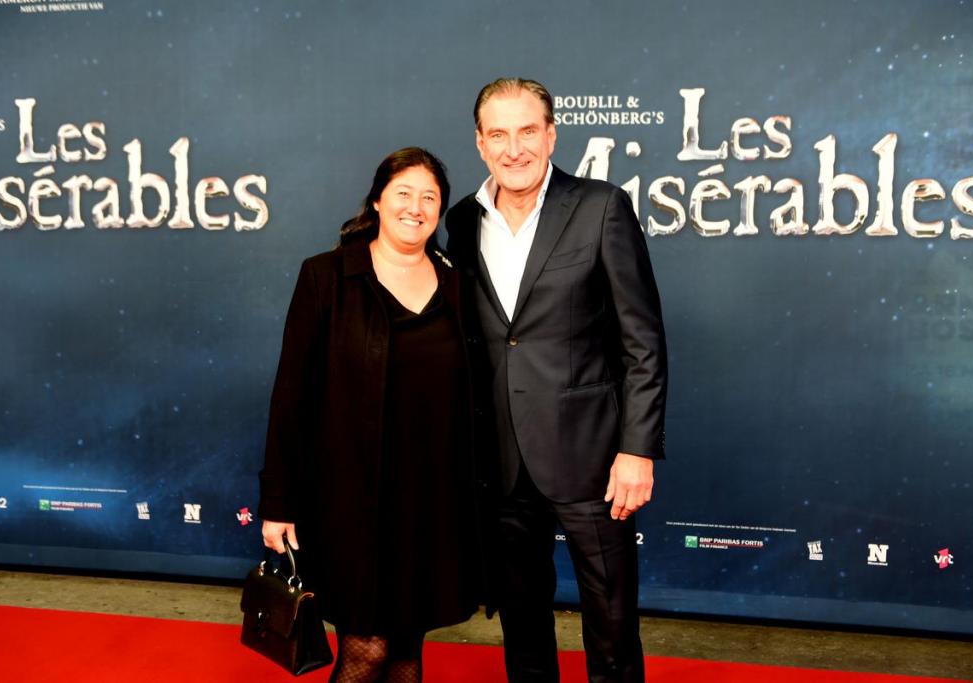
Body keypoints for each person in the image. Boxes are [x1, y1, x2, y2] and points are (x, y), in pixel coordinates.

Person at [446, 78, 668, 683]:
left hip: (593, 458)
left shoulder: (601, 206)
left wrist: (638, 450)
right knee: (521, 625)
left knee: (611, 625)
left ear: (550, 135)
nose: (513, 148)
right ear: (480, 143)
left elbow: (643, 340)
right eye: (498, 134)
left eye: (527, 131)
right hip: (501, 461)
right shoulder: (462, 220)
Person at [259, 147, 484, 683]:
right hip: (351, 503)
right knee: (368, 648)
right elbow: (291, 396)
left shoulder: (459, 284)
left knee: (406, 647)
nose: (416, 207)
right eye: (403, 193)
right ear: (378, 200)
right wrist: (277, 502)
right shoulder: (327, 276)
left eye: (429, 197)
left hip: (431, 504)